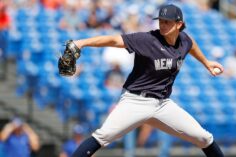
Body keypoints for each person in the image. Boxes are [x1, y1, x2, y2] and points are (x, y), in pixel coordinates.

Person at [64, 4, 224, 157]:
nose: (162, 25)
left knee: (204, 138)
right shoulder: (147, 40)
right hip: (135, 101)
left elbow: (191, 44)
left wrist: (206, 62)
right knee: (102, 136)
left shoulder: (184, 40)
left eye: (167, 22)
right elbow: (113, 40)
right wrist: (81, 43)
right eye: (161, 21)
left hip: (162, 104)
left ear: (179, 24)